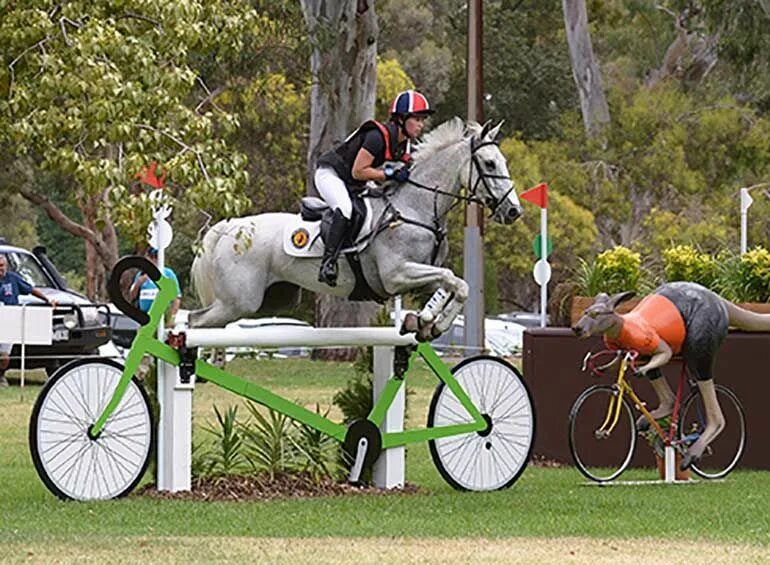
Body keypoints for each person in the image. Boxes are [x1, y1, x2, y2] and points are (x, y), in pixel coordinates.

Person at [314, 89, 435, 287]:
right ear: (402, 119)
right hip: (331, 175)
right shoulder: (376, 136)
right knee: (345, 209)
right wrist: (389, 174)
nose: (421, 125)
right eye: (418, 119)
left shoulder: (403, 145)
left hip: (354, 182)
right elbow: (358, 171)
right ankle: (328, 263)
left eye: (422, 120)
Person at [0, 254, 57, 387]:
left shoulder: (13, 279)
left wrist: (47, 300)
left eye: (1, 266)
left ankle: (1, 376)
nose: (0, 269)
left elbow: (31, 290)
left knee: (4, 355)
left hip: (9, 320)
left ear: (6, 266)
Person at [129, 247, 181, 319]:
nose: (154, 259)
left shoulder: (168, 273)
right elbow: (132, 296)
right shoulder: (141, 274)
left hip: (162, 316)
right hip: (144, 316)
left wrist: (172, 316)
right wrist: (138, 283)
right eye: (151, 256)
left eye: (156, 257)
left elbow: (176, 298)